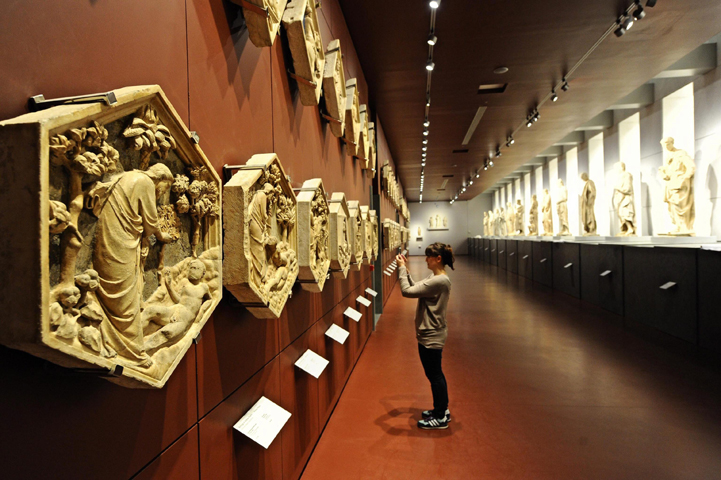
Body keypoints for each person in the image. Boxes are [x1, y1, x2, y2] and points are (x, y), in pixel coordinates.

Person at [396, 242, 454, 430]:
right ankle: (441, 410)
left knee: (435, 375)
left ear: (438, 258)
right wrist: (406, 271)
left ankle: (440, 416)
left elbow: (407, 291)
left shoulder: (440, 281)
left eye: (429, 256)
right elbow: (417, 288)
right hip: (430, 333)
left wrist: (401, 270)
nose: (426, 259)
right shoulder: (435, 277)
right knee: (434, 373)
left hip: (432, 335)